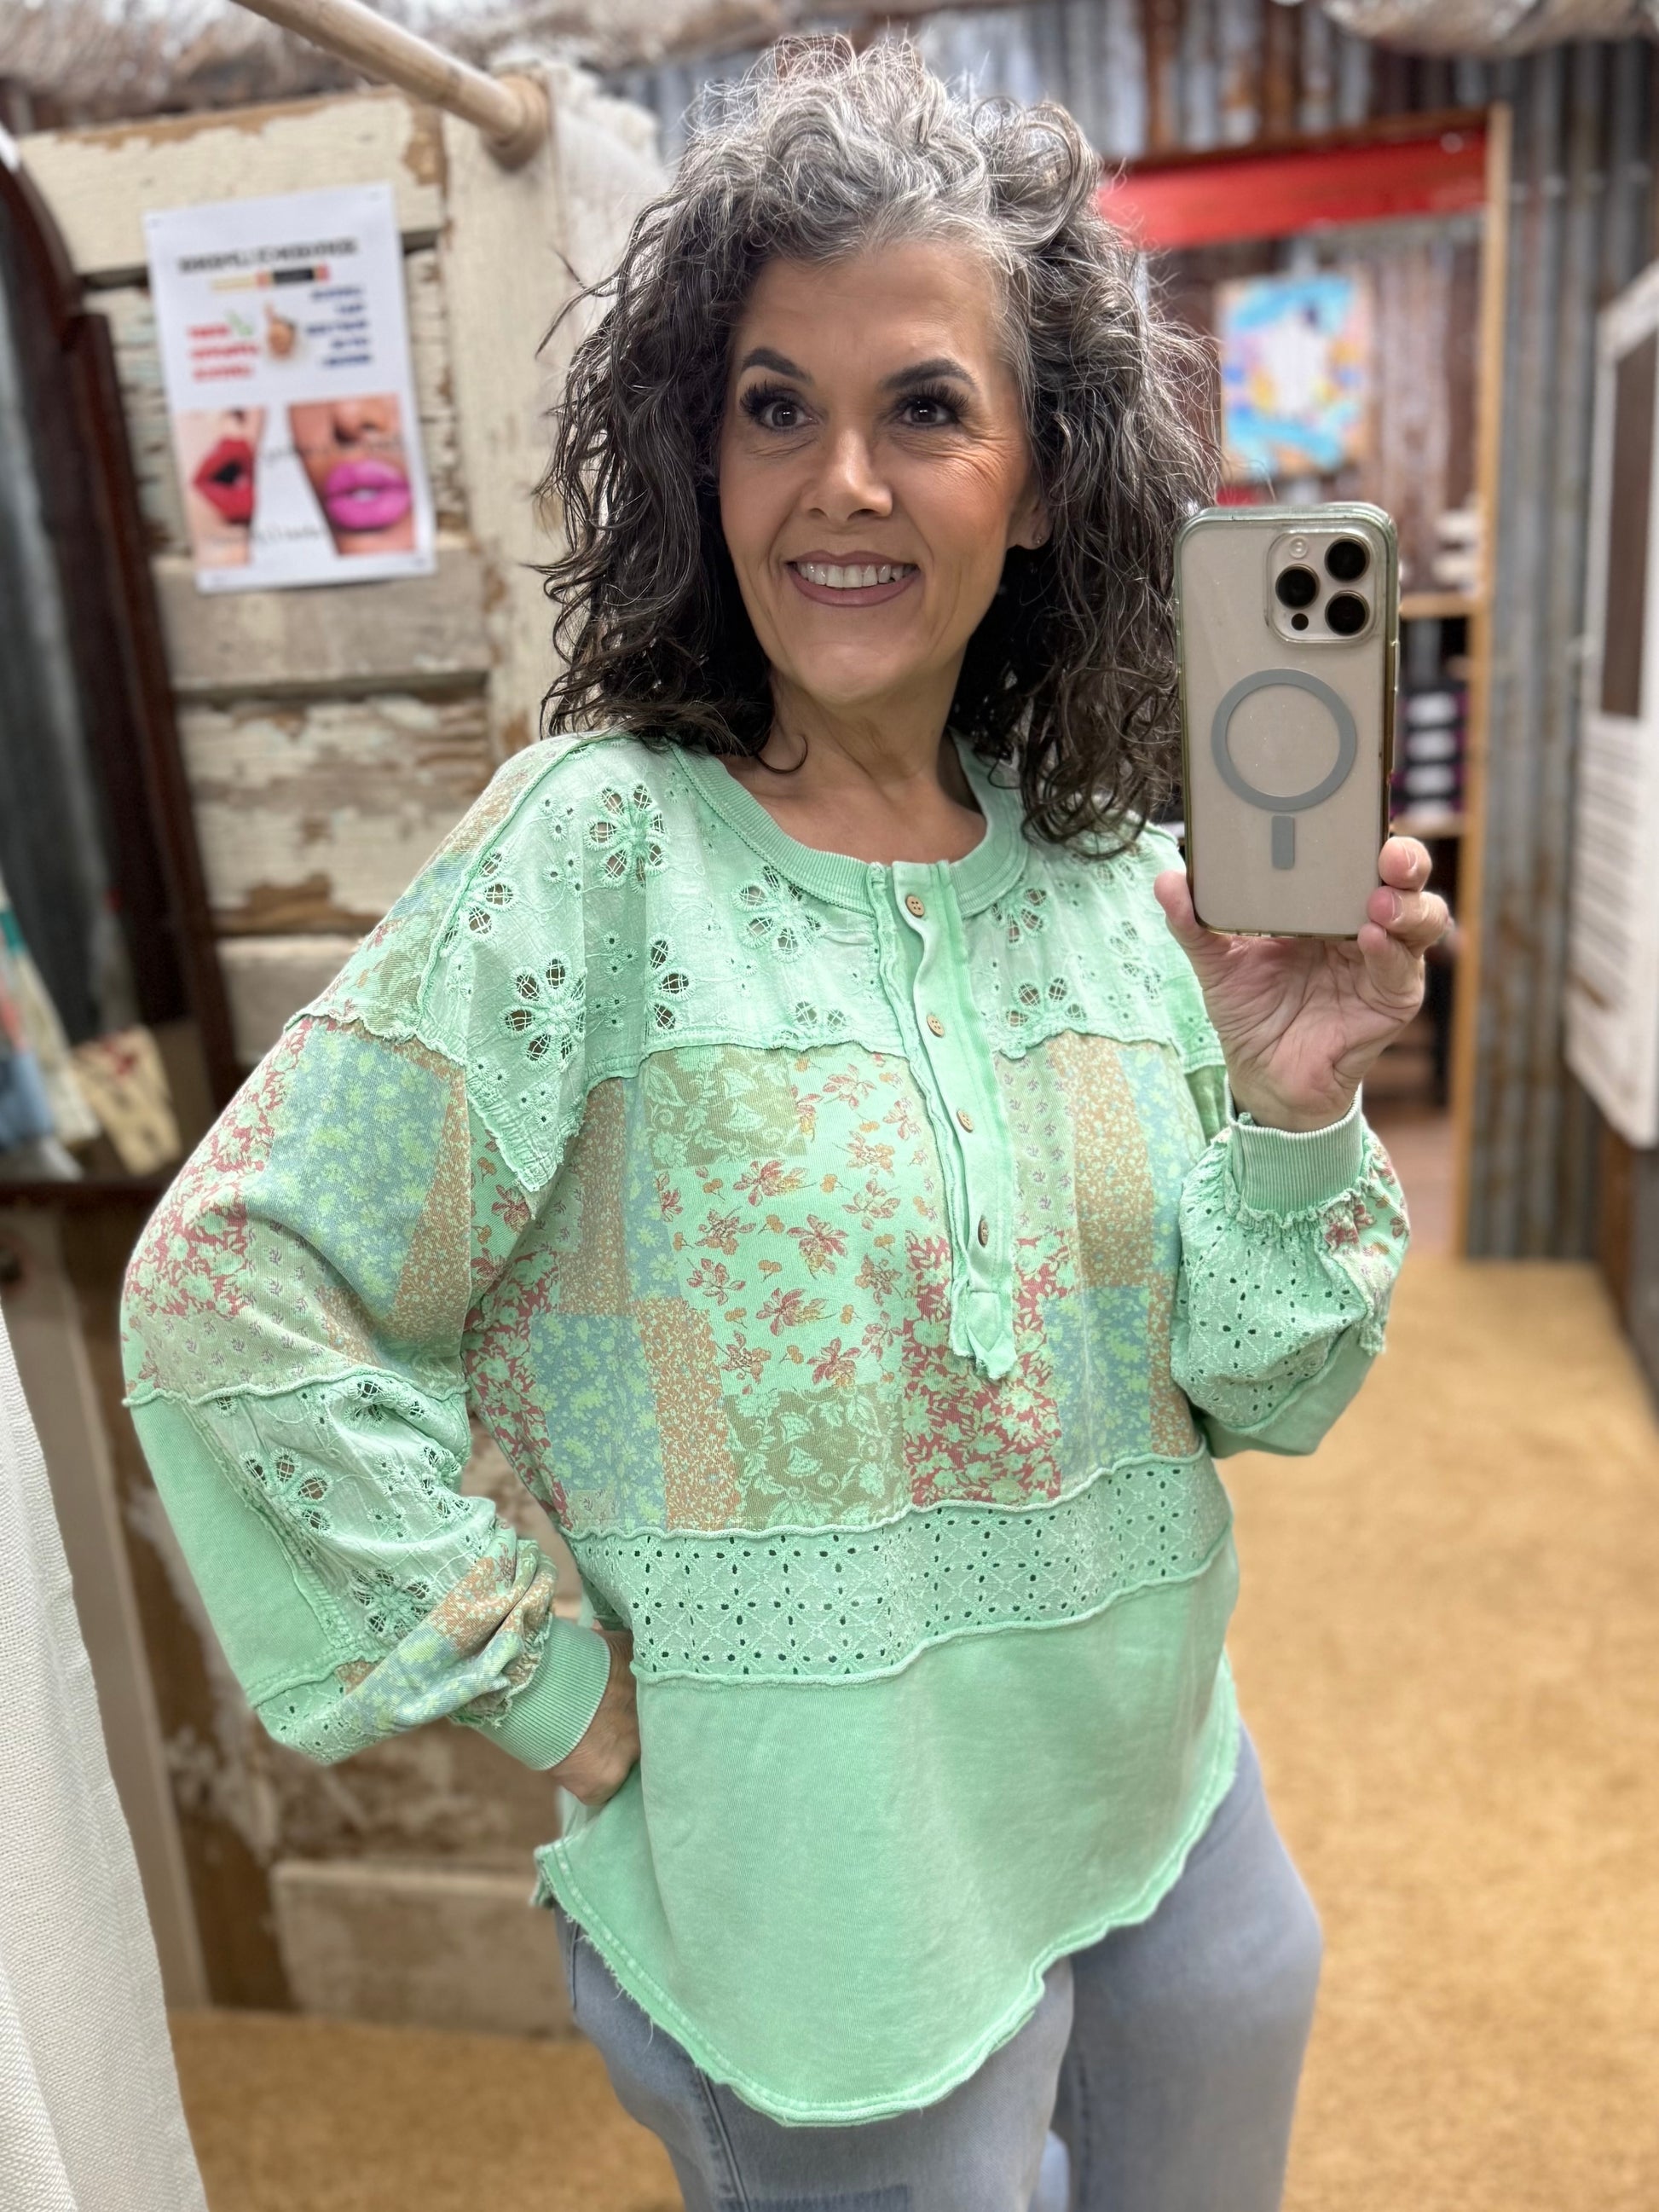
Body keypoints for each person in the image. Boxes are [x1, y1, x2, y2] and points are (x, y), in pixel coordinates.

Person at [121, 43, 1443, 2212]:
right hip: (824, 1907)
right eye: (772, 408)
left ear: (1039, 481)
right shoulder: (592, 860)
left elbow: (1259, 1388)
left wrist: (1296, 1115)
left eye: (923, 408)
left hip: (1157, 1789)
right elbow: (225, 1291)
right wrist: (538, 1678)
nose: (840, 481)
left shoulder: (1119, 875)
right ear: (701, 456)